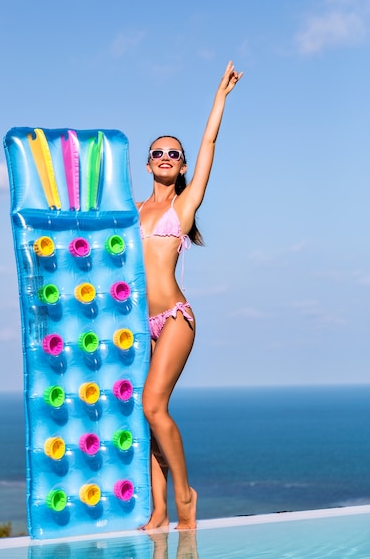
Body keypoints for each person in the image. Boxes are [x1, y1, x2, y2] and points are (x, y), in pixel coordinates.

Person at [137, 61, 243, 530]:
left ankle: (184, 497)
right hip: (139, 325)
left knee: (153, 407)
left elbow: (209, 145)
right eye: (158, 152)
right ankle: (158, 510)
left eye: (173, 154)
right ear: (147, 163)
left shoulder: (184, 205)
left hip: (175, 320)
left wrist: (219, 98)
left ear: (181, 167)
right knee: (148, 419)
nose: (166, 157)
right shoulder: (131, 209)